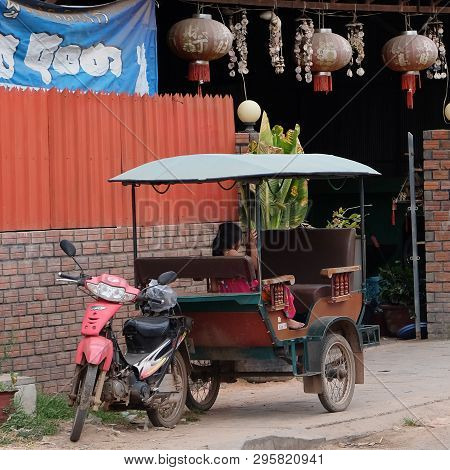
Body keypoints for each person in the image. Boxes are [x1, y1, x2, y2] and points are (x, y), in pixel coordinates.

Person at [211, 222, 304, 329]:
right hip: (246, 295)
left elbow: (214, 288)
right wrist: (252, 244)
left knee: (268, 289)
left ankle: (282, 320)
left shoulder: (216, 256)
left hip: (227, 296)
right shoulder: (233, 254)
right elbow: (255, 266)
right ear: (235, 239)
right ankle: (286, 320)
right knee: (281, 288)